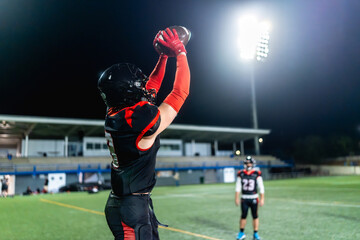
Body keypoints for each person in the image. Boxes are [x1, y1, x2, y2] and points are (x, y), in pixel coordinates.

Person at [99, 28, 190, 240]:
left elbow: (152, 87)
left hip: (129, 203)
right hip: (130, 208)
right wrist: (180, 53)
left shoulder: (116, 111)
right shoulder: (138, 120)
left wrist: (163, 57)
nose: (144, 86)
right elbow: (179, 93)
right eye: (138, 84)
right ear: (128, 93)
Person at [235, 156, 265, 240]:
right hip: (244, 198)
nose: (248, 164)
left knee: (255, 216)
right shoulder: (241, 173)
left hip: (254, 198)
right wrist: (236, 197)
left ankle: (255, 233)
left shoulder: (257, 173)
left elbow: (261, 187)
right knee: (243, 215)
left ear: (253, 164)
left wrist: (262, 198)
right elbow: (238, 187)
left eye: (250, 163)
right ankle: (241, 233)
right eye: (247, 163)